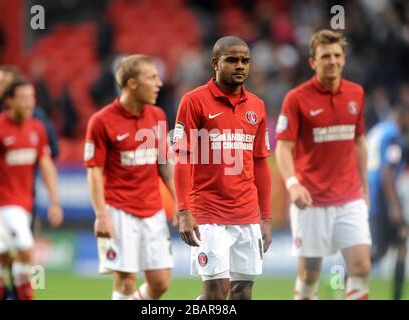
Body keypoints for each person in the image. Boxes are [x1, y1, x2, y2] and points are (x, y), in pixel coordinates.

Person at [173, 36, 272, 300]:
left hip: (248, 214)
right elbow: (182, 157)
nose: (240, 66)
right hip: (209, 213)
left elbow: (261, 162)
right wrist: (183, 210)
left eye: (245, 61)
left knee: (242, 294)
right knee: (216, 294)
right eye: (232, 60)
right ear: (215, 63)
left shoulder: (257, 106)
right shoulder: (193, 101)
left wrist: (266, 217)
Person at [275, 29, 371, 300]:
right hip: (311, 200)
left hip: (349, 197)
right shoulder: (296, 98)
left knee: (361, 266)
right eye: (325, 56)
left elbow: (359, 142)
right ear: (313, 62)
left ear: (344, 59)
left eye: (337, 55)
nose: (332, 60)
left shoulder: (356, 93)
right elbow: (283, 147)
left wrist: (364, 187)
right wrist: (292, 184)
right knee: (309, 275)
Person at [84, 54, 175, 300]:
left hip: (153, 210)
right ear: (132, 83)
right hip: (119, 211)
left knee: (161, 283)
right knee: (125, 281)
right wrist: (101, 215)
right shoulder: (101, 121)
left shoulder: (158, 115)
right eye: (152, 77)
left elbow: (165, 164)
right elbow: (94, 171)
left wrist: (180, 203)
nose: (159, 83)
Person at [0, 65, 59, 299]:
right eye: (24, 98)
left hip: (26, 203)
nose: (30, 103)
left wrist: (55, 201)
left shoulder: (37, 127)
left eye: (32, 97)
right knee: (26, 251)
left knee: (3, 256)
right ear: (10, 100)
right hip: (2, 204)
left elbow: (47, 162)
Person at [367, 105, 409, 300]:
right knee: (381, 250)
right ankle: (342, 277)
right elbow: (388, 172)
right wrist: (394, 207)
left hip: (372, 195)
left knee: (397, 246)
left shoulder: (380, 129)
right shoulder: (393, 136)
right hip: (383, 200)